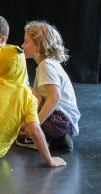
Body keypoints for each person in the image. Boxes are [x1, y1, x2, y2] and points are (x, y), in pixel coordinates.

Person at [16, 21, 80, 151]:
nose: (22, 45)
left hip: (59, 121)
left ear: (39, 45)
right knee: (31, 92)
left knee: (24, 91)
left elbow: (55, 97)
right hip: (65, 124)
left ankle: (36, 137)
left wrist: (35, 125)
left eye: (26, 42)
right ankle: (56, 138)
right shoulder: (50, 64)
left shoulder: (45, 66)